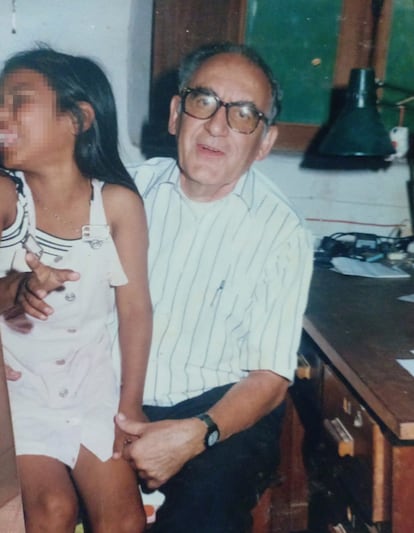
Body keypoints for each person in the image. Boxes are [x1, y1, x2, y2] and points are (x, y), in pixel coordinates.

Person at [116, 42, 314, 532]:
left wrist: (195, 435)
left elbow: (269, 379)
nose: (218, 126)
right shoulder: (122, 195)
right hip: (112, 394)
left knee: (206, 511)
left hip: (219, 411)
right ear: (175, 114)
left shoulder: (282, 233)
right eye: (203, 101)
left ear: (265, 142)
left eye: (244, 114)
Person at [0, 46, 151, 532]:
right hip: (19, 389)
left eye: (18, 100)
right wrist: (16, 288)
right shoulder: (6, 196)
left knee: (124, 521)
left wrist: (129, 406)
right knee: (51, 511)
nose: (1, 114)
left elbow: (135, 313)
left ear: (78, 118)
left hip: (91, 385)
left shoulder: (117, 206)